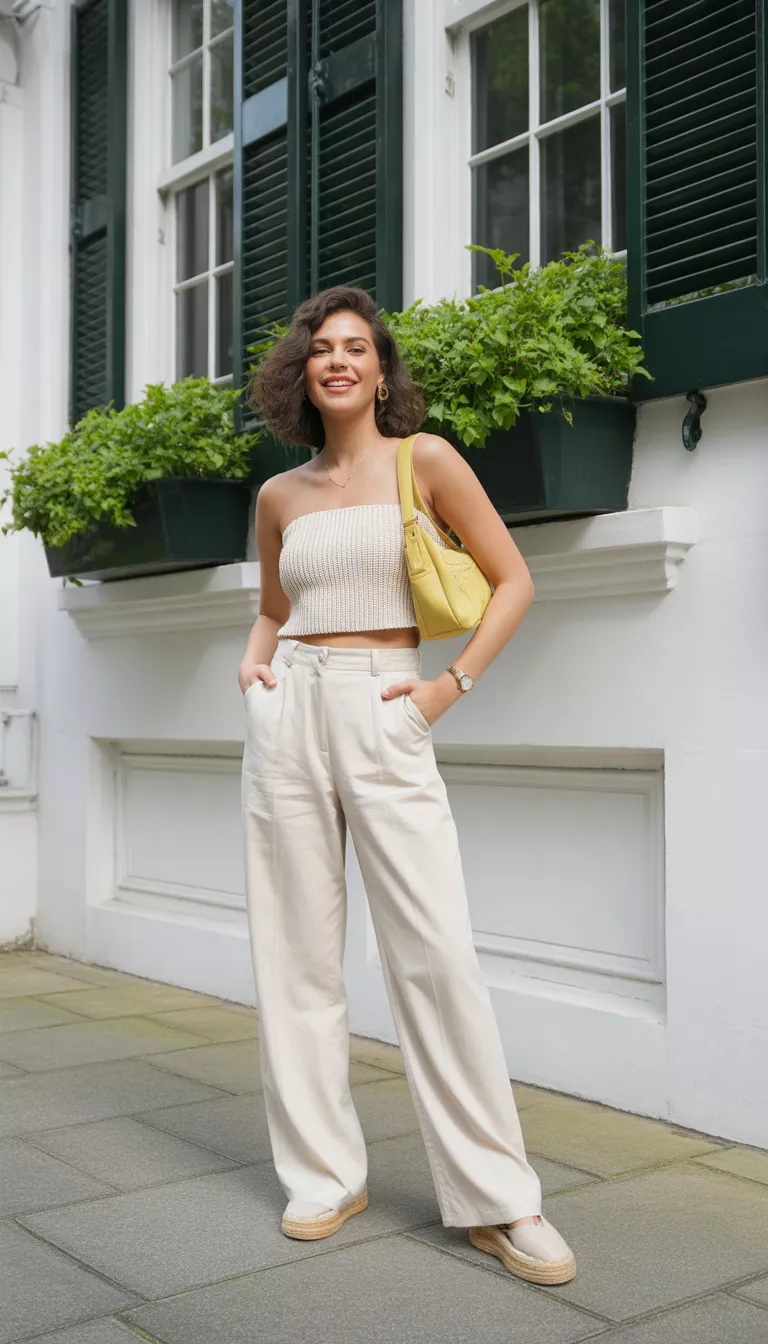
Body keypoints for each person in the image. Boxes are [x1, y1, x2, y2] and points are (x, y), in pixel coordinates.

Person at [238, 284, 575, 1286]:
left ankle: (500, 1199)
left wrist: (443, 691)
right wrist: (254, 671)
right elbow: (270, 604)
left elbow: (513, 580)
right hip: (289, 711)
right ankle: (322, 1173)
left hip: (386, 706)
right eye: (321, 349)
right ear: (301, 374)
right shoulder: (279, 497)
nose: (338, 360)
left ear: (382, 370)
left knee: (434, 953)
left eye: (357, 347)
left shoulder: (422, 462)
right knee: (294, 956)